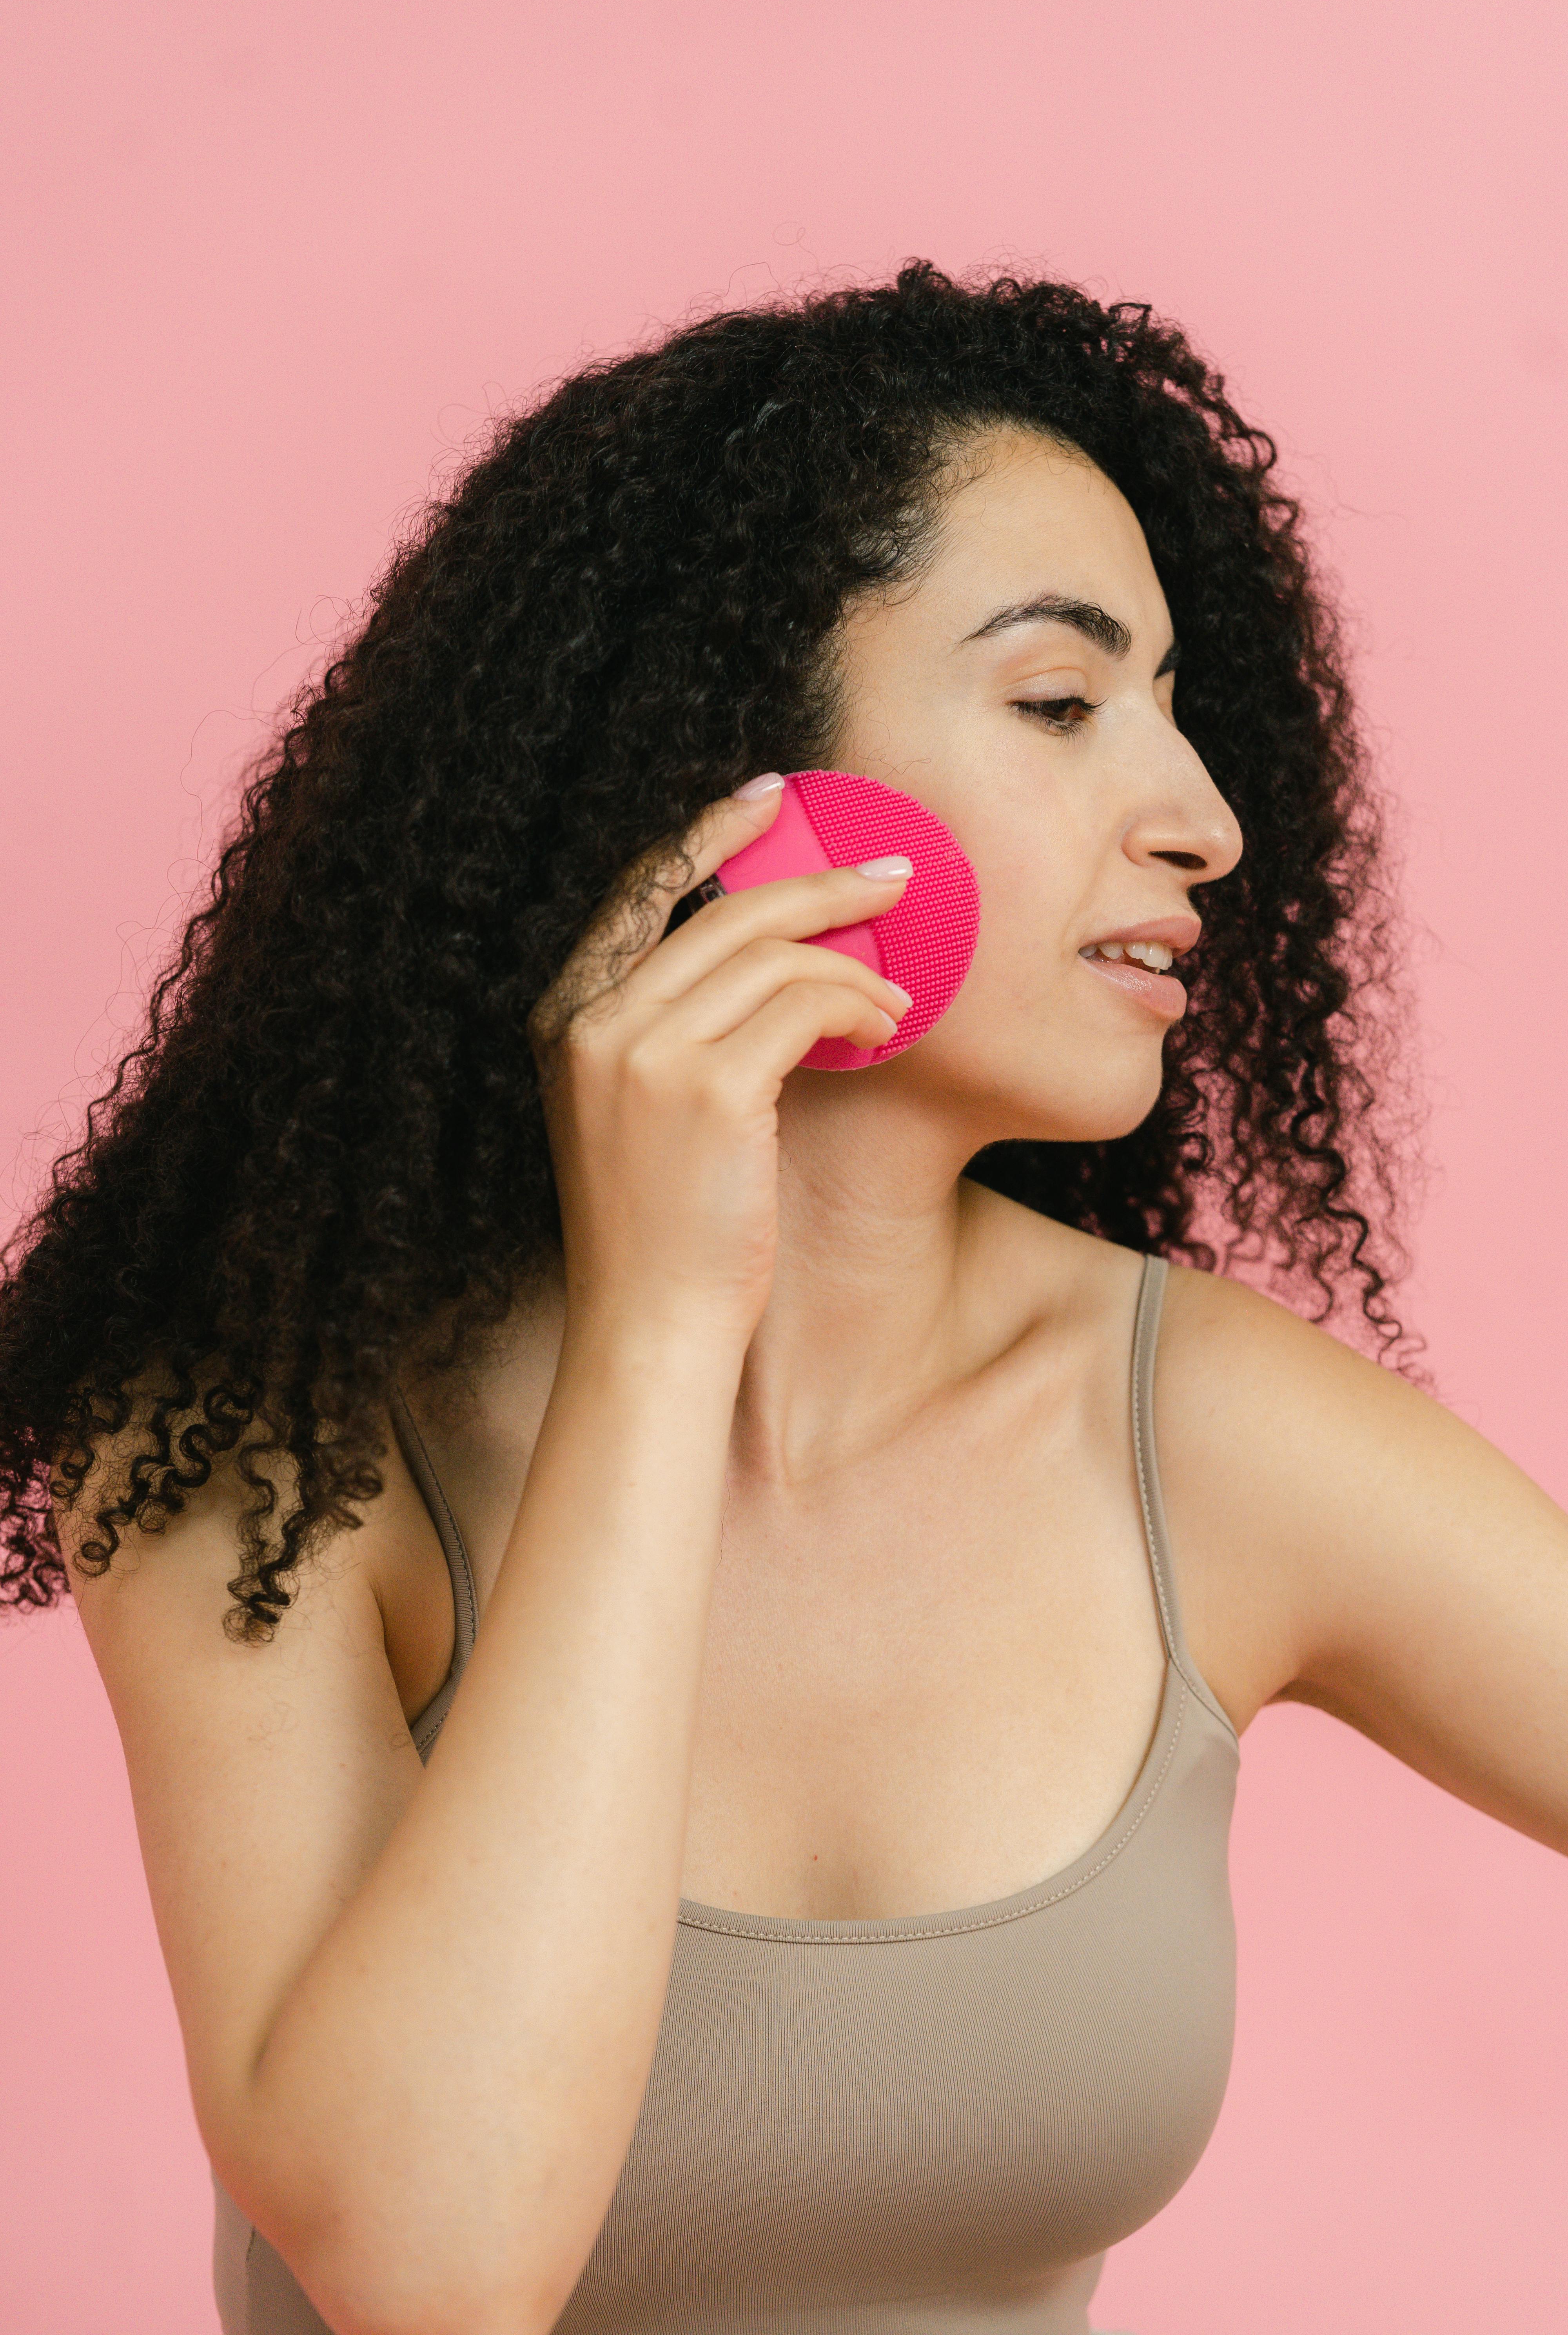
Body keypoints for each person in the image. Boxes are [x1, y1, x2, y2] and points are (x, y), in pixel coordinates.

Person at [2, 261, 1563, 2335]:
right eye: (1060, 701)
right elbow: (426, 2260)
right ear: (734, 783)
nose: (1205, 823)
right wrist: (659, 1338)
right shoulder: (247, 1445)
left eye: (1177, 707)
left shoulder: (1210, 1432)